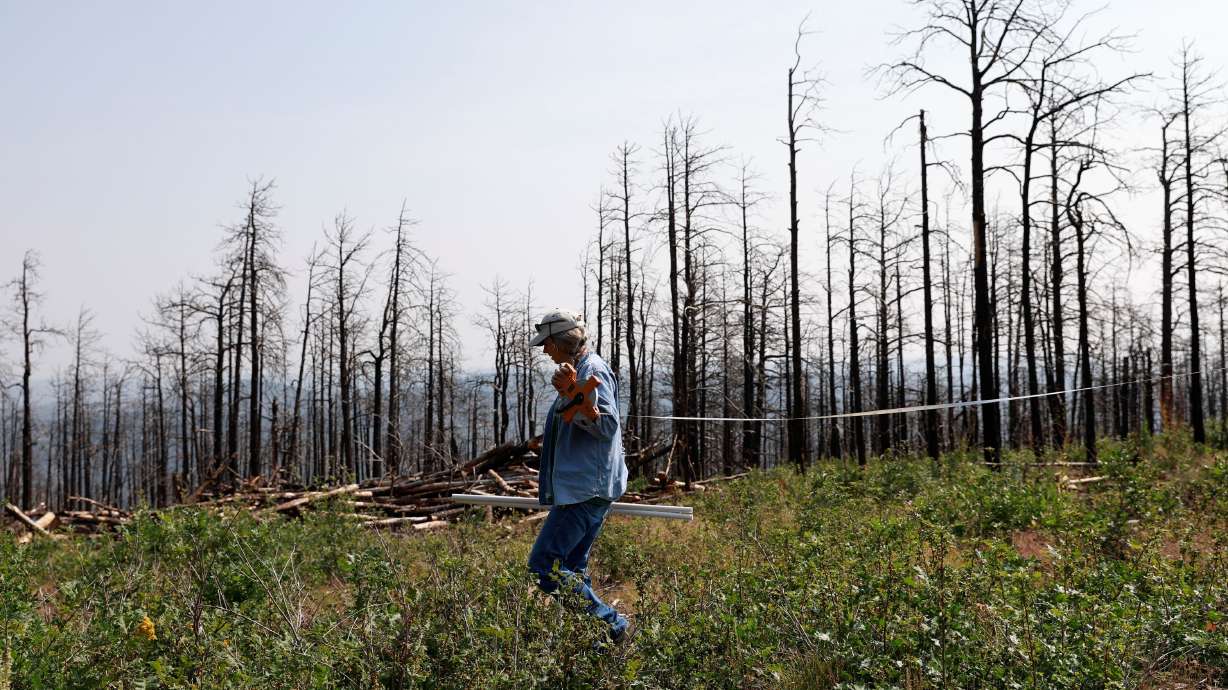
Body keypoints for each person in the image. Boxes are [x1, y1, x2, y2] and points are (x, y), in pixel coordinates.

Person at [526, 308, 630, 644]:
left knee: (545, 566)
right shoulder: (579, 369)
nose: (545, 350)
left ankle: (613, 625)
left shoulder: (592, 369)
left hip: (584, 490)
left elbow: (608, 426)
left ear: (562, 341)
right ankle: (593, 644)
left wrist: (576, 399)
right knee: (571, 568)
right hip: (587, 487)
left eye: (548, 343)